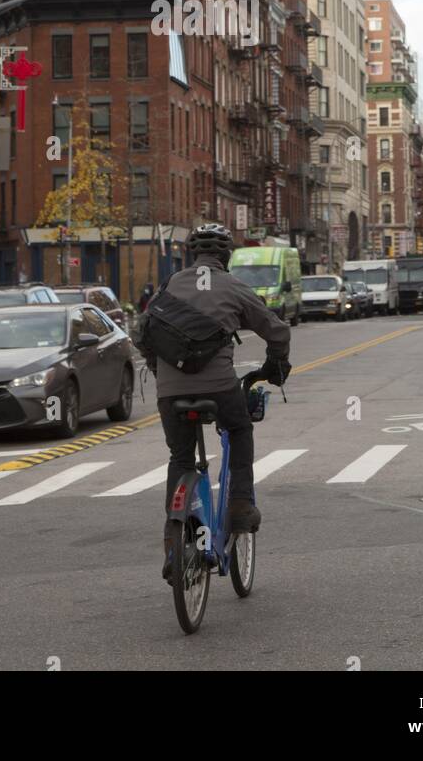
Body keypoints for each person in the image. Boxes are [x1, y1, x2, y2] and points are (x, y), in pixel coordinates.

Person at [137, 223, 291, 579]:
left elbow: (144, 333)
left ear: (193, 255)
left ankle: (174, 546)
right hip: (220, 389)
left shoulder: (170, 284)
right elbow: (277, 330)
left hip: (171, 392)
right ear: (226, 256)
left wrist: (161, 373)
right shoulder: (234, 287)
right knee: (239, 430)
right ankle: (239, 505)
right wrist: (275, 366)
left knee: (180, 458)